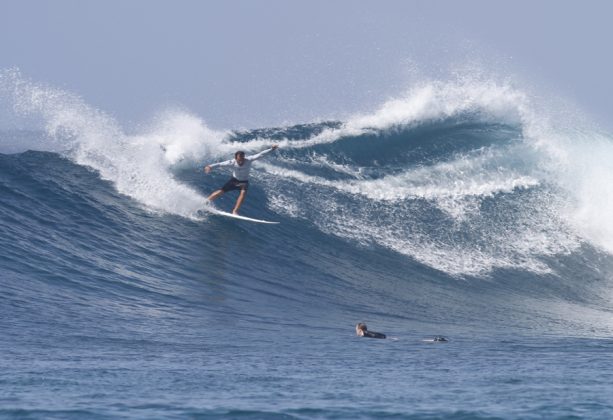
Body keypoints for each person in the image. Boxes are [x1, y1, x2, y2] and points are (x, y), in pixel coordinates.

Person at [204, 145, 279, 214]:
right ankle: (206, 202)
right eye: (239, 159)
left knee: (243, 194)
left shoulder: (249, 160)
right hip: (234, 180)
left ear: (244, 157)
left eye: (242, 159)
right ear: (236, 158)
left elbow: (260, 154)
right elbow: (219, 164)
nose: (241, 161)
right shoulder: (231, 162)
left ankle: (235, 211)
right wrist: (210, 167)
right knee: (221, 191)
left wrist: (271, 149)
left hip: (244, 182)